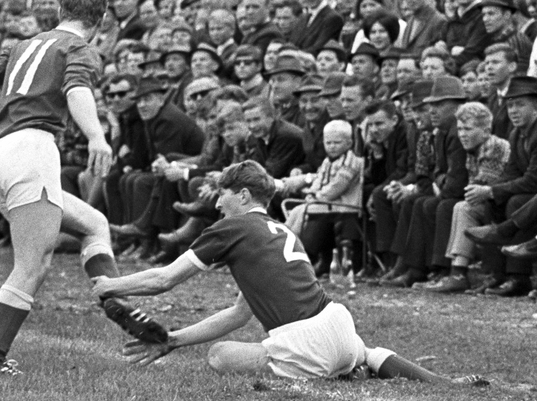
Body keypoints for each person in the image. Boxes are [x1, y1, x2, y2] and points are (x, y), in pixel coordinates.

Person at [0, 0, 168, 376]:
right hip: (33, 152)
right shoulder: (79, 48)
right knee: (34, 264)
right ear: (99, 19)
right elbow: (77, 89)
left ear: (60, 10)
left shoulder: (21, 46)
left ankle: (113, 299)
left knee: (93, 224)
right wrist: (97, 136)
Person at [92, 160, 462, 385]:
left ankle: (329, 370)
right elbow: (239, 313)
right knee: (361, 351)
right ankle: (439, 382)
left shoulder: (231, 229)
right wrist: (172, 339)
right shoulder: (281, 229)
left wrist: (110, 285)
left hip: (305, 343)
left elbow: (164, 279)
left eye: (222, 194)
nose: (217, 203)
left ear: (242, 195)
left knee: (220, 355)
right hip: (340, 326)